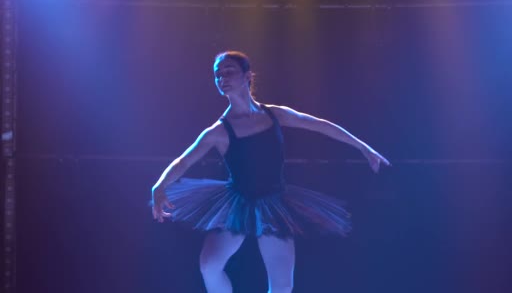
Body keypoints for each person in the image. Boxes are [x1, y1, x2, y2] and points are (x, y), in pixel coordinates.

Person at [151, 51, 390, 293]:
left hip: (274, 204)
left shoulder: (274, 114)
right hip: (238, 203)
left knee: (283, 286)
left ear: (247, 76)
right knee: (209, 266)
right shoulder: (218, 131)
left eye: (229, 72)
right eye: (218, 75)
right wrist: (159, 185)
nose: (222, 78)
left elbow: (319, 125)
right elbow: (183, 161)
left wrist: (363, 147)